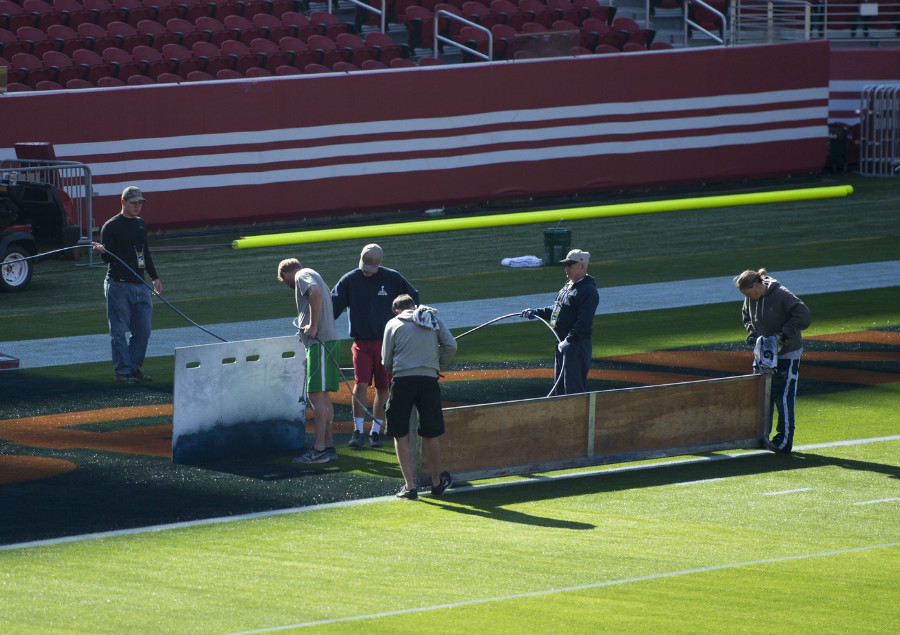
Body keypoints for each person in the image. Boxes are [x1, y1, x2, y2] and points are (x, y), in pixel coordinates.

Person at [332, 244, 419, 450]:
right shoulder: (349, 280)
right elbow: (332, 305)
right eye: (364, 267)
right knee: (360, 384)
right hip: (361, 343)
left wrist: (409, 322)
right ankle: (358, 430)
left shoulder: (392, 278)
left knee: (383, 388)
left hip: (387, 342)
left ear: (379, 264)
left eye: (370, 268)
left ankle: (375, 432)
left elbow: (413, 298)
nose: (366, 272)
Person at [381, 294, 456, 500]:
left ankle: (410, 486)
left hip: (402, 381)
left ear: (397, 309)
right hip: (428, 381)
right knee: (431, 433)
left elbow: (386, 360)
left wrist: (398, 368)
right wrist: (435, 366)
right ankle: (436, 482)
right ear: (413, 306)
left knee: (400, 433)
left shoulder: (393, 323)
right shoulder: (432, 319)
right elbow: (451, 346)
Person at [734, 268, 811, 454]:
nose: (747, 297)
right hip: (764, 354)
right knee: (762, 394)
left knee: (782, 396)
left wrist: (784, 334)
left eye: (747, 292)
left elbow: (803, 316)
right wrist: (752, 333)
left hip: (786, 354)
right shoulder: (750, 298)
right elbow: (747, 316)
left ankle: (783, 441)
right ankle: (761, 436)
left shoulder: (782, 295)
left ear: (755, 285)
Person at [91, 186, 161, 384]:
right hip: (118, 286)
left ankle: (133, 367)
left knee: (143, 331)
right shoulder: (111, 226)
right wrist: (102, 251)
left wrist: (154, 277)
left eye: (140, 203)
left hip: (140, 285)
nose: (138, 206)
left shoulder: (140, 224)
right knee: (119, 331)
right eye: (134, 203)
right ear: (123, 202)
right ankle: (122, 372)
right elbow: (107, 260)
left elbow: (144, 252)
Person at [277, 258, 341, 464]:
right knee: (322, 396)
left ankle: (319, 449)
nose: (288, 285)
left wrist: (312, 326)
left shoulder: (301, 275)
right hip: (327, 341)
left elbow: (315, 293)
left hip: (319, 342)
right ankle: (328, 446)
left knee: (315, 396)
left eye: (284, 280)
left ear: (286, 273)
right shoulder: (313, 274)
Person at [521, 248, 599, 395]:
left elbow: (584, 322)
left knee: (573, 390)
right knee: (560, 389)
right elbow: (557, 309)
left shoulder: (588, 291)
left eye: (570, 265)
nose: (566, 269)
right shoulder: (568, 286)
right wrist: (535, 312)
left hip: (575, 347)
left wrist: (569, 340)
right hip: (562, 344)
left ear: (582, 266)